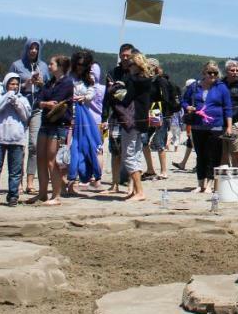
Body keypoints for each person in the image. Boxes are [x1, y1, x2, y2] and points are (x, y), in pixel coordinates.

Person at [109, 51, 153, 202]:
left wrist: (115, 89)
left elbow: (126, 99)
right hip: (142, 120)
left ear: (137, 65)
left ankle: (140, 191)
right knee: (137, 154)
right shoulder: (147, 79)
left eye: (131, 64)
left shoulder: (134, 80)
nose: (128, 66)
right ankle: (135, 190)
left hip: (132, 120)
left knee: (128, 156)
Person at [183, 61, 233, 192]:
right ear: (203, 73)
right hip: (197, 125)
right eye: (209, 72)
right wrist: (187, 107)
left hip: (216, 126)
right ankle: (200, 184)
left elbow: (228, 108)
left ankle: (210, 185)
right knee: (200, 156)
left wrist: (229, 127)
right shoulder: (194, 86)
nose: (212, 75)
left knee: (213, 156)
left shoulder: (221, 87)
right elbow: (183, 100)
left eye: (215, 73)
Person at [0, 72, 31, 207]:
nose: (14, 87)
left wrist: (15, 102)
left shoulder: (23, 99)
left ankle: (13, 195)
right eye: (11, 84)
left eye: (16, 84)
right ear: (6, 84)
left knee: (15, 171)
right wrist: (7, 98)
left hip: (16, 139)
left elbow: (26, 116)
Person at [33, 54, 74, 205]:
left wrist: (43, 103)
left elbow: (57, 101)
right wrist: (44, 103)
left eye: (52, 64)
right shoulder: (50, 82)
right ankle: (42, 193)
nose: (49, 66)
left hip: (59, 124)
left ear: (61, 66)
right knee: (41, 159)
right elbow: (39, 100)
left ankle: (56, 196)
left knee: (53, 161)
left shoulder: (67, 83)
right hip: (45, 122)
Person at [11, 40, 48, 195]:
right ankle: (17, 181)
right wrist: (26, 83)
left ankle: (30, 182)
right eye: (31, 48)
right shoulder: (17, 65)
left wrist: (41, 83)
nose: (33, 51)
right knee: (19, 144)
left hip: (37, 107)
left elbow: (48, 86)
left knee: (34, 144)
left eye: (36, 48)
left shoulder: (44, 66)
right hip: (21, 106)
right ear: (26, 49)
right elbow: (10, 84)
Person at [67, 51, 103, 191]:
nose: (80, 67)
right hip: (69, 115)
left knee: (85, 147)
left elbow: (92, 93)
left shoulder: (90, 79)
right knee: (68, 147)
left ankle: (81, 177)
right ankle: (68, 181)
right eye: (78, 64)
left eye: (83, 65)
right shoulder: (69, 77)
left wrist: (85, 97)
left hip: (83, 118)